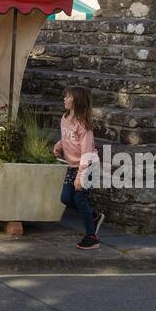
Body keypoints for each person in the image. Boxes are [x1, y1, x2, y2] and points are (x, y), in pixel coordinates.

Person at [55, 85, 104, 250]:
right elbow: (67, 137)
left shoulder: (83, 125)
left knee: (80, 199)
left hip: (87, 166)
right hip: (73, 165)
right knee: (65, 198)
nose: (64, 99)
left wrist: (80, 176)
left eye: (68, 97)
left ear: (77, 101)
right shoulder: (65, 117)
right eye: (65, 96)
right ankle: (93, 216)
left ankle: (92, 237)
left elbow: (86, 152)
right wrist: (60, 144)